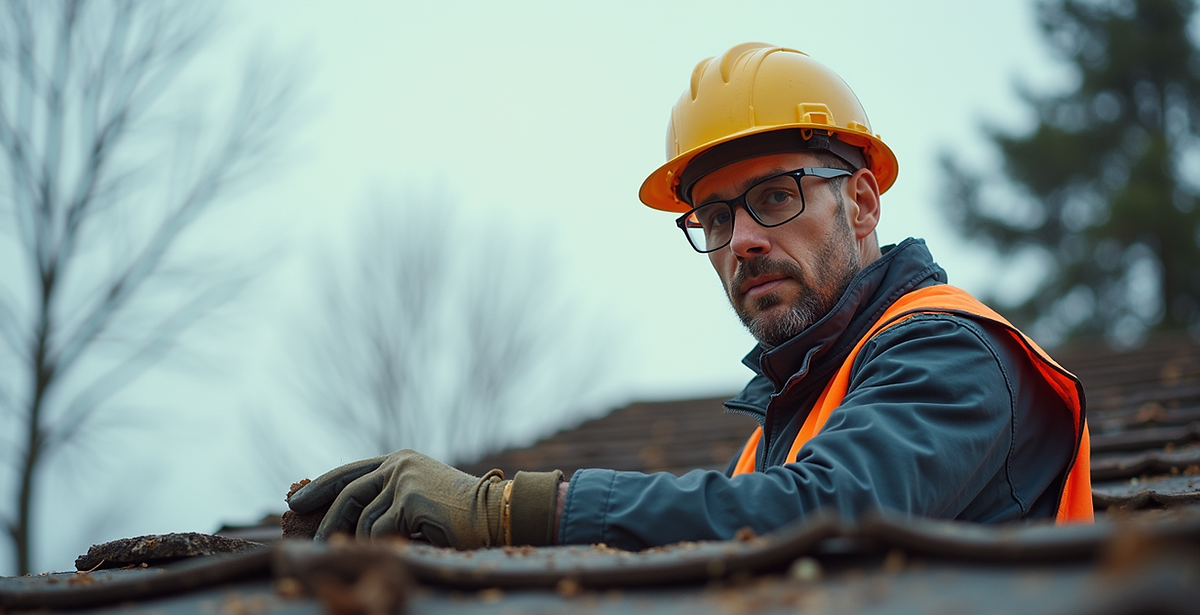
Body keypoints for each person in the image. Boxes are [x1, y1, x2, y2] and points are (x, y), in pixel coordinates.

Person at [287, 43, 1093, 550]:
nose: (741, 239)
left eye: (776, 195)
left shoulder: (953, 350)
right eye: (714, 217)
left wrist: (506, 512)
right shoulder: (784, 429)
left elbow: (825, 514)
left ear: (861, 204)